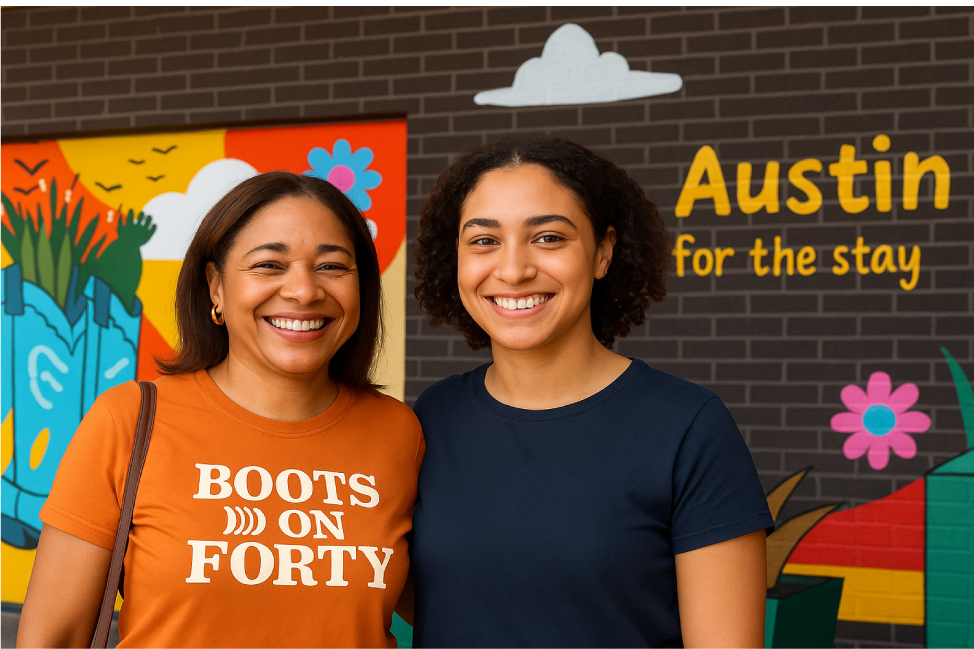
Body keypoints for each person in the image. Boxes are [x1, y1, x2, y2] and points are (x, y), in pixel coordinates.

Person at [17, 172, 424, 649]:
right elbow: (54, 636)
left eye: (332, 267)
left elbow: (461, 600)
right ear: (215, 287)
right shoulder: (127, 420)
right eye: (269, 265)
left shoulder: (399, 433)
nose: (304, 291)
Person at [409, 138, 773, 649]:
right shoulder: (430, 419)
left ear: (603, 252)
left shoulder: (688, 428)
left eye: (549, 238)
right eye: (484, 241)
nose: (513, 270)